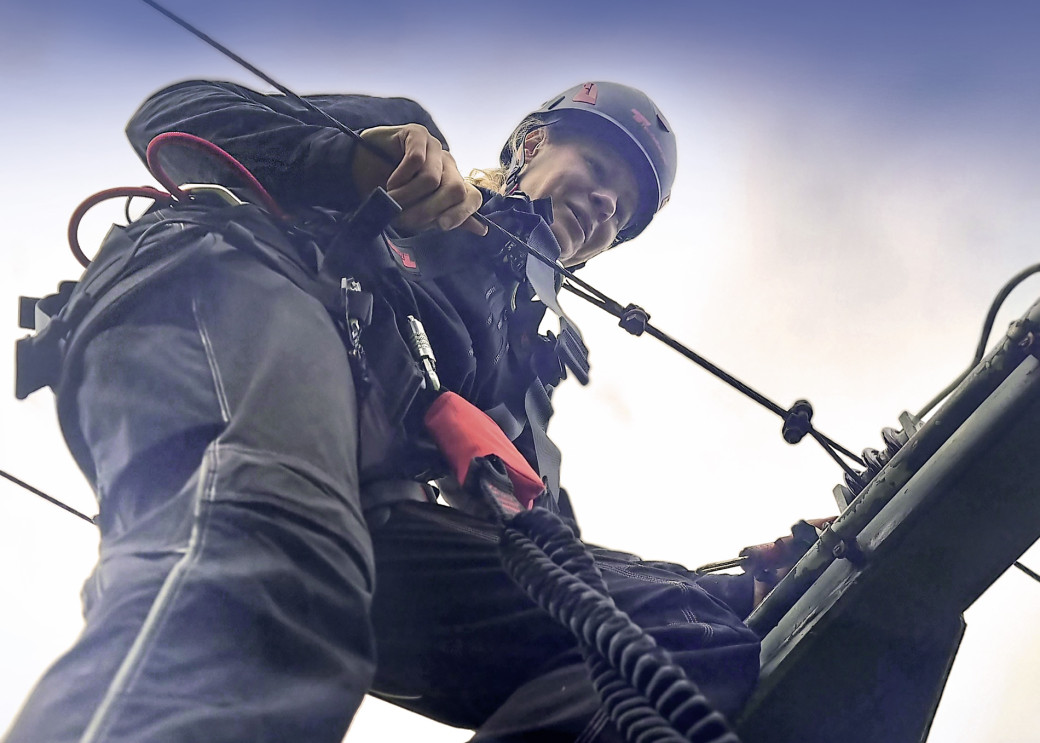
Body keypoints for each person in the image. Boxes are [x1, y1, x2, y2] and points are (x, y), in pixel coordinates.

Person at [6, 79, 762, 743]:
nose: (604, 204)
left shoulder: (527, 362)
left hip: (374, 512)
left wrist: (736, 590)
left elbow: (552, 552)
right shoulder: (409, 154)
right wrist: (356, 158)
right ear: (532, 143)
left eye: (622, 209)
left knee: (675, 637)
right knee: (280, 548)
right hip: (231, 303)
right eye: (599, 170)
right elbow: (172, 122)